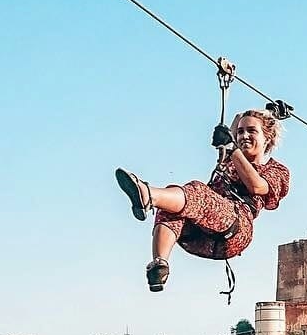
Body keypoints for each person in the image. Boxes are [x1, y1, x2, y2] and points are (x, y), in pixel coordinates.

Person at [115, 109, 290, 291]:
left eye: (251, 131)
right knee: (171, 202)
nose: (244, 136)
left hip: (236, 228)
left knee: (197, 192)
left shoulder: (276, 170)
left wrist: (234, 147)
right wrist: (260, 116)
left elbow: (257, 187)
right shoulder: (229, 159)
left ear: (267, 138)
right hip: (200, 238)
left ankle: (147, 194)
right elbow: (236, 124)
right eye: (240, 132)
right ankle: (160, 265)